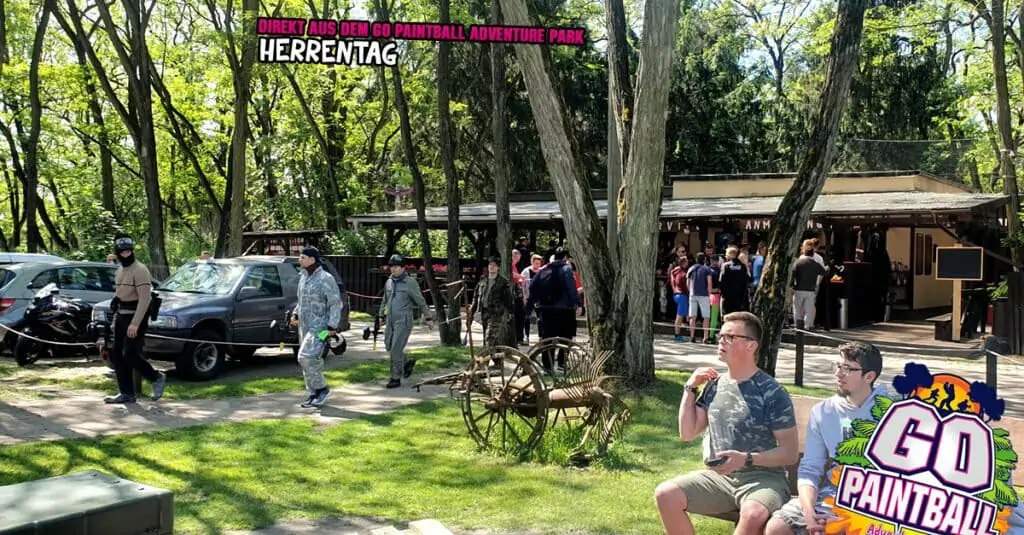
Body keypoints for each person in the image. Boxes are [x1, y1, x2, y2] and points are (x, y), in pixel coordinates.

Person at [655, 312, 799, 535]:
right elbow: (687, 432)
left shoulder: (772, 392)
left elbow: (790, 453)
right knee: (666, 494)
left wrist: (747, 458)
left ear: (751, 345)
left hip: (764, 480)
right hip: (719, 478)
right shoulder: (715, 385)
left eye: (730, 337)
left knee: (753, 514)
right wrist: (690, 388)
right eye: (721, 335)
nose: (721, 341)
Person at [766, 342, 887, 535]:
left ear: (869, 377)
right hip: (831, 497)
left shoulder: (893, 412)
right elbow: (810, 469)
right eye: (838, 366)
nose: (838, 374)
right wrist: (809, 514)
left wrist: (847, 520)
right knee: (777, 527)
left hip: (878, 504)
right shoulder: (824, 412)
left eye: (848, 369)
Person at [105, 235, 166, 404]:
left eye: (128, 251)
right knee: (117, 354)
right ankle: (126, 393)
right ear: (118, 253)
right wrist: (116, 301)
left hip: (136, 316)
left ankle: (156, 377)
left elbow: (145, 299)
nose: (126, 254)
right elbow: (121, 292)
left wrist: (135, 323)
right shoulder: (120, 270)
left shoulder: (140, 270)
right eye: (122, 252)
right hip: (121, 315)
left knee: (130, 353)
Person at [289, 247, 342, 408]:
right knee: (311, 361)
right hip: (305, 326)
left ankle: (322, 389)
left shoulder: (326, 278)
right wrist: (295, 314)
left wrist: (332, 326)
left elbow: (335, 303)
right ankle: (313, 393)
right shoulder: (303, 277)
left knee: (305, 357)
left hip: (321, 328)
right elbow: (301, 301)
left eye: (303, 257)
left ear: (312, 259)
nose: (300, 260)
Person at [378, 254, 434, 388]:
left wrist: (428, 317)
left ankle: (395, 378)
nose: (393, 269)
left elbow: (420, 301)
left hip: (404, 320)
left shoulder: (410, 283)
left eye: (396, 266)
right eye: (391, 266)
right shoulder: (389, 281)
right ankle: (406, 362)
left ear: (403, 268)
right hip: (391, 319)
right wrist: (381, 315)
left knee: (396, 348)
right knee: (389, 345)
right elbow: (385, 300)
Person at [471, 256, 514, 348]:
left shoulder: (503, 282)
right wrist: (472, 310)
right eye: (490, 265)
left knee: (489, 337)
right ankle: (493, 356)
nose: (491, 267)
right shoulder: (483, 279)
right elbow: (476, 295)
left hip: (496, 313)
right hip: (484, 311)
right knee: (487, 337)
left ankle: (487, 355)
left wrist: (510, 312)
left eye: (494, 265)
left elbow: (508, 298)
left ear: (498, 268)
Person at [793, 243, 826, 330]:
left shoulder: (798, 263)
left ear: (804, 253)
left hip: (798, 289)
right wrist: (828, 267)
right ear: (813, 254)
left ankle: (798, 325)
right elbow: (824, 272)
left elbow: (793, 274)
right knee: (809, 309)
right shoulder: (815, 264)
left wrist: (792, 285)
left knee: (797, 308)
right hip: (810, 290)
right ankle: (808, 326)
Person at [720, 246, 751, 315]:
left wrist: (723, 294)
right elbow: (745, 282)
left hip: (728, 297)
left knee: (727, 316)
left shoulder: (725, 266)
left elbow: (721, 281)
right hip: (740, 298)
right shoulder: (743, 266)